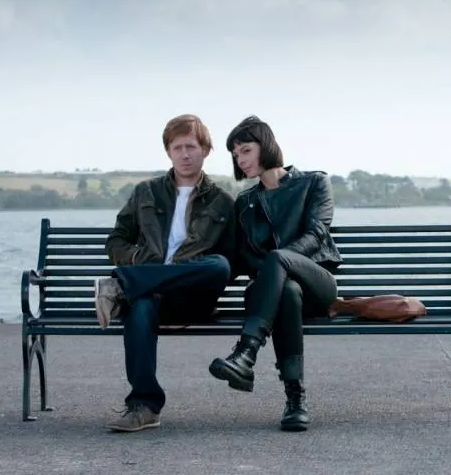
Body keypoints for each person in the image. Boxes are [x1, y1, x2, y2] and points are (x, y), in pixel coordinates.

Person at [94, 114, 236, 433]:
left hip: (192, 298)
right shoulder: (145, 192)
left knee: (219, 266)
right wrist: (137, 259)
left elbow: (230, 261)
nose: (185, 154)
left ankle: (122, 284)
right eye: (177, 148)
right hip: (151, 295)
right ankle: (144, 406)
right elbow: (116, 241)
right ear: (169, 152)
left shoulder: (223, 202)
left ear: (205, 151)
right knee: (142, 304)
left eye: (191, 147)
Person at [208, 115, 343, 432]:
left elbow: (317, 234)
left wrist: (277, 263)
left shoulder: (314, 183)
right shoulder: (245, 202)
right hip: (274, 295)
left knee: (280, 262)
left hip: (318, 286)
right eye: (236, 155)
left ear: (266, 146)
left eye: (246, 150)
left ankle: (246, 352)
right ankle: (295, 400)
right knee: (287, 292)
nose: (241, 160)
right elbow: (237, 259)